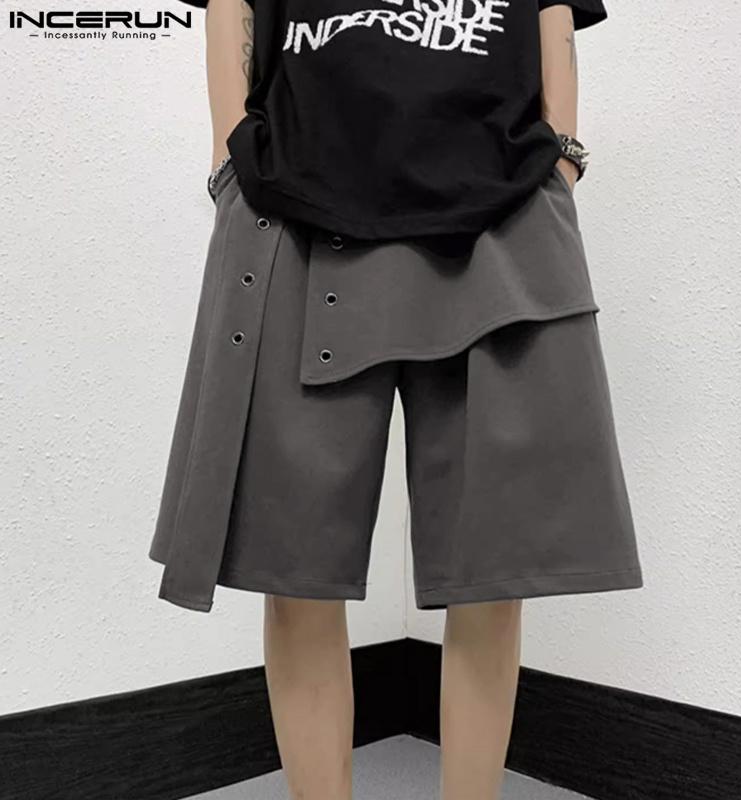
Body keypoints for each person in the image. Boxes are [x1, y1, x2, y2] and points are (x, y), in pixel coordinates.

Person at [149, 1, 643, 798]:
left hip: (502, 206)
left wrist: (563, 156)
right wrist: (228, 152)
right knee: (295, 569)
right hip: (293, 201)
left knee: (492, 573)